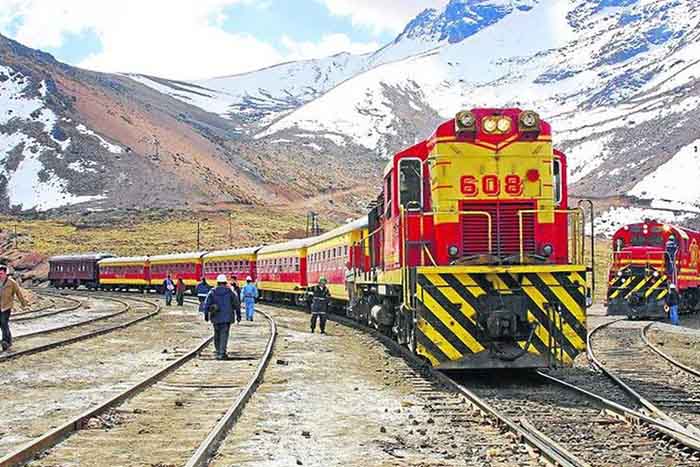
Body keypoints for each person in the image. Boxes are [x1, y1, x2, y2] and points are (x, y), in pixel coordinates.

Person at [203, 274, 240, 360]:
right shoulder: (230, 292)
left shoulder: (212, 292)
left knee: (216, 333)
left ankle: (218, 350)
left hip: (215, 317)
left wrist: (206, 315)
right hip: (227, 317)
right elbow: (236, 304)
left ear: (217, 282)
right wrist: (238, 315)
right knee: (224, 334)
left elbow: (206, 305)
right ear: (225, 282)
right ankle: (222, 352)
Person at [0, 265, 28, 351]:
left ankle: (5, 342)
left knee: (4, 323)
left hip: (6, 307)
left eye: (1, 273)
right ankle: (9, 340)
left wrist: (23, 304)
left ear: (5, 273)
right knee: (2, 324)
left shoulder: (12, 283)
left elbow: (18, 293)